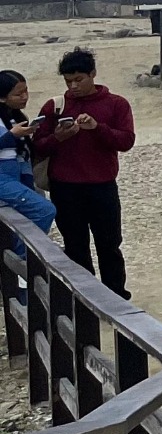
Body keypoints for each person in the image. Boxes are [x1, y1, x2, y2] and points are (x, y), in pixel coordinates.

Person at [33, 48, 136, 297]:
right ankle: (84, 299)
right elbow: (36, 146)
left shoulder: (116, 104)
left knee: (109, 244)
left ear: (93, 74)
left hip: (102, 185)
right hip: (64, 187)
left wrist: (97, 128)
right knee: (75, 246)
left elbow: (126, 141)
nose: (73, 86)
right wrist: (58, 138)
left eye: (79, 79)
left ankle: (115, 296)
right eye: (68, 81)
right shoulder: (55, 106)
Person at [0, 70, 56, 233]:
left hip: (16, 174)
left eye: (26, 91)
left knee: (25, 215)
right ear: (2, 97)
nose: (25, 97)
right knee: (44, 210)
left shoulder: (16, 117)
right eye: (18, 94)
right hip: (4, 177)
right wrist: (11, 136)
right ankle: (23, 249)